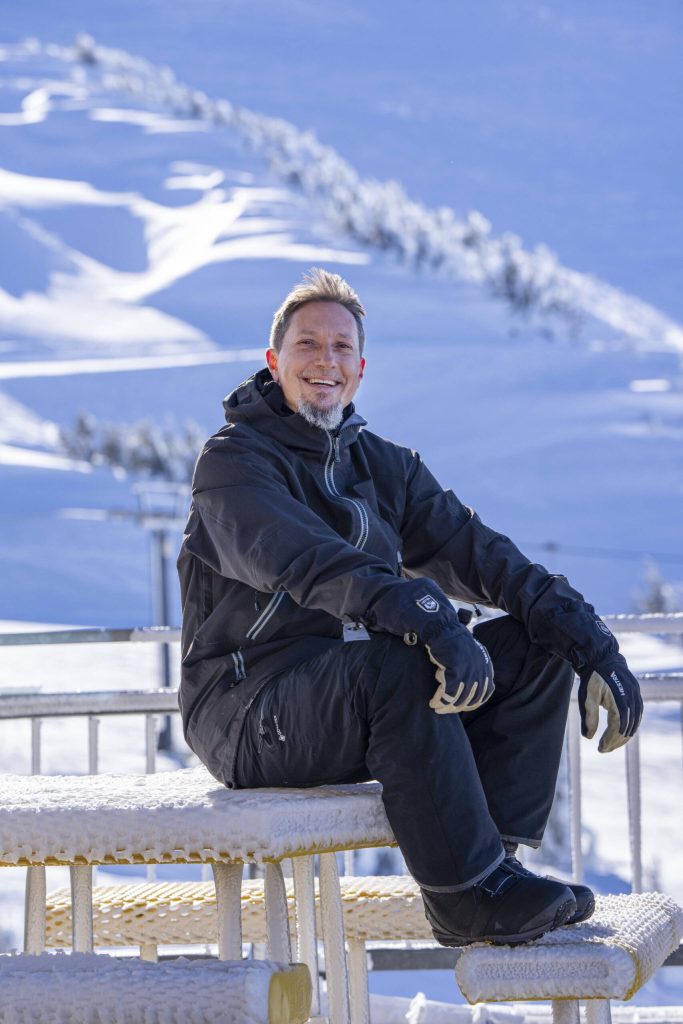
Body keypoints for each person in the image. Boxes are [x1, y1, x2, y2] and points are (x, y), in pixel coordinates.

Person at [177, 268, 643, 947]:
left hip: (346, 700)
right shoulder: (234, 464)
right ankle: (465, 899)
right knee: (395, 667)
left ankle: (498, 868)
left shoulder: (382, 467)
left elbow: (482, 555)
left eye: (341, 348)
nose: (325, 361)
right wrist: (424, 615)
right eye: (308, 344)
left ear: (360, 370)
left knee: (530, 643)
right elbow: (301, 558)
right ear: (274, 361)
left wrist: (587, 639)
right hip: (250, 708)